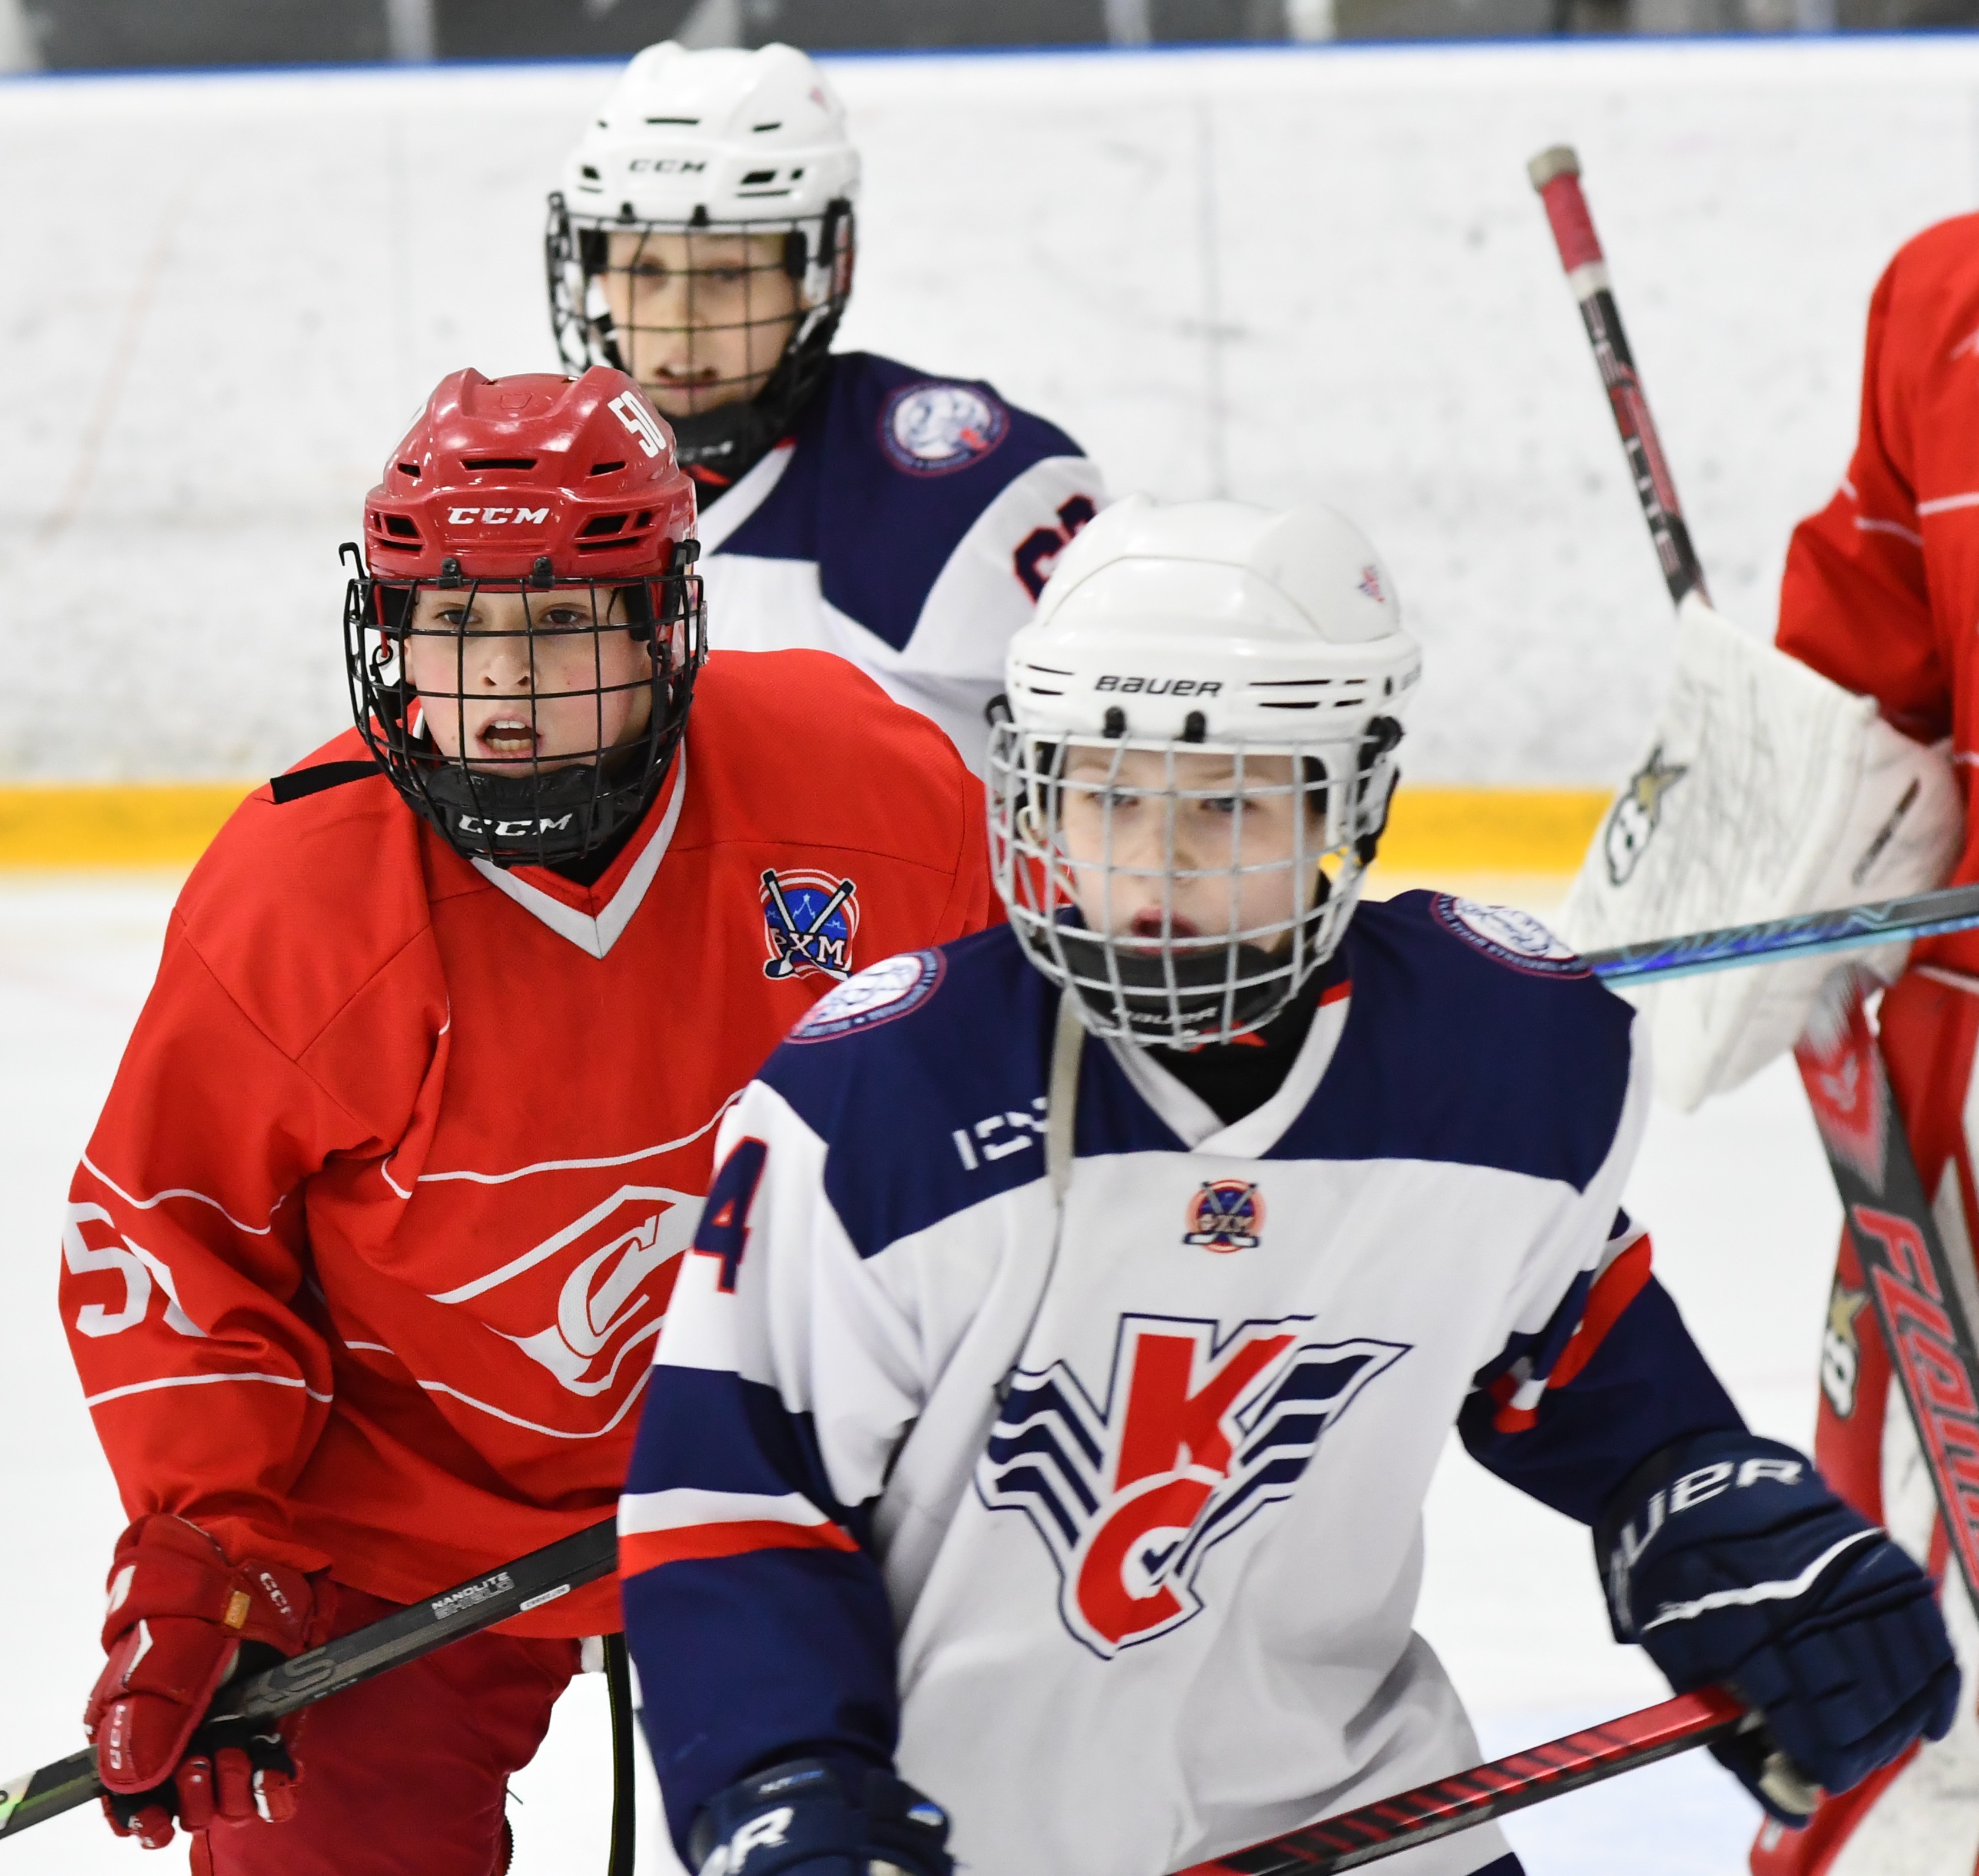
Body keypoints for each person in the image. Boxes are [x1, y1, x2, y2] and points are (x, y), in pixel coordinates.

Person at [614, 496, 1958, 1876]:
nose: (1154, 861)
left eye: (1229, 803)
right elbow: (734, 1500)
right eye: (1108, 793)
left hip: (1365, 1821)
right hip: (959, 1840)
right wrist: (783, 1779)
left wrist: (1707, 1509)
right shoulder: (883, 1102)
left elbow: (1569, 1354)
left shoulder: (1491, 1062)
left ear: (1346, 799)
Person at [62, 363, 997, 1875]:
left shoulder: (863, 794)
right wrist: (202, 1551)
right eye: (455, 624)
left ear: (660, 619)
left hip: (799, 1474)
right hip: (405, 1523)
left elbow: (1021, 1103)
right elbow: (178, 1241)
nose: (499, 686)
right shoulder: (301, 900)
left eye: (559, 622)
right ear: (390, 633)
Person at [547, 40, 1107, 769]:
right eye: (644, 269)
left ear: (816, 273)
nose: (677, 320)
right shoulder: (526, 496)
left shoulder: (958, 496)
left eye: (726, 273)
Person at [1741, 214, 1979, 1876]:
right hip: (1958, 1100)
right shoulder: (1946, 298)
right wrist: (1802, 793)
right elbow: (1868, 630)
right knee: (1902, 1653)